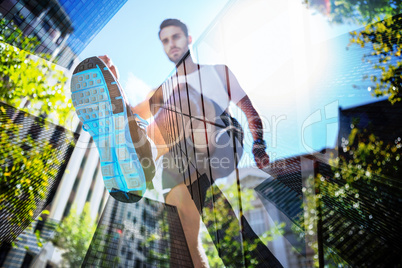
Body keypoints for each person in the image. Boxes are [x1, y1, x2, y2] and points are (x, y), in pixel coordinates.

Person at [71, 19, 269, 268]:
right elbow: (132, 114)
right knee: (186, 240)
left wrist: (259, 142)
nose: (171, 44)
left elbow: (249, 109)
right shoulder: (167, 87)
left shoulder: (217, 72)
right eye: (165, 41)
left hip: (222, 140)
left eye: (175, 37)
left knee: (181, 94)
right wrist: (113, 86)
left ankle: (144, 153)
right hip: (181, 161)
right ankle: (136, 155)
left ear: (188, 39)